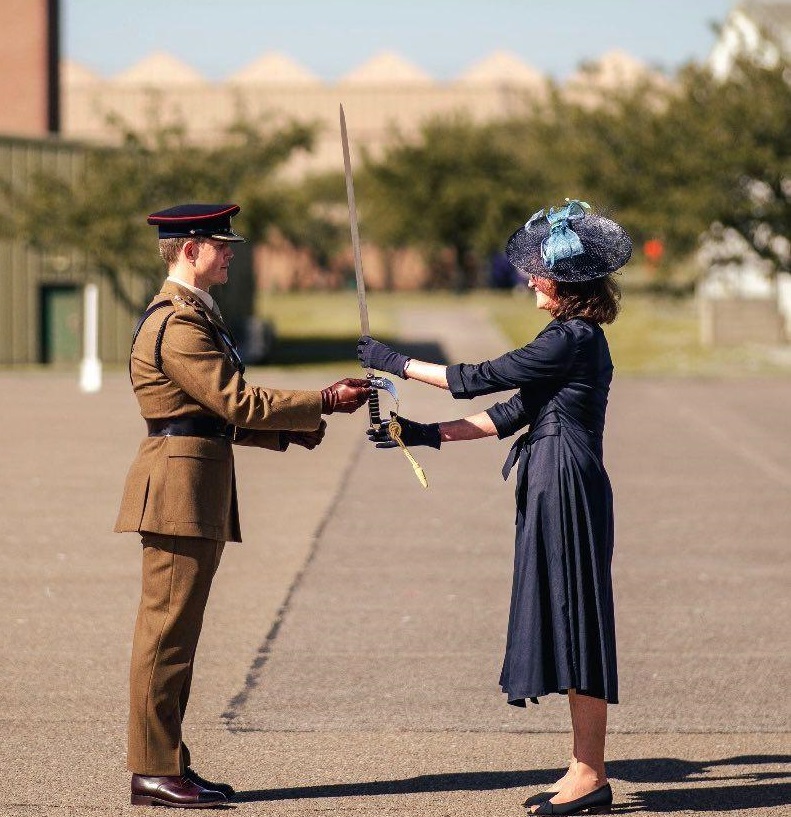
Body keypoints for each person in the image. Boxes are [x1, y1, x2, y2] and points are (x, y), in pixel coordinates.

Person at [358, 200, 631, 815]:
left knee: (575, 617)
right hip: (553, 475)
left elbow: (476, 377)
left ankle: (591, 774)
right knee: (566, 616)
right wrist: (421, 433)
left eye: (540, 270)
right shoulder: (570, 339)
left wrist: (392, 361)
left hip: (564, 481)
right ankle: (583, 768)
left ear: (565, 281)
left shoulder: (572, 338)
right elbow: (510, 413)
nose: (531, 278)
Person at [115, 203, 371, 808]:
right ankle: (153, 769)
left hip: (192, 485)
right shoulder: (178, 323)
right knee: (166, 636)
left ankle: (167, 762)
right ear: (188, 250)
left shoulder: (196, 314)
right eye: (220, 244)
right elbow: (235, 400)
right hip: (177, 492)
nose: (231, 252)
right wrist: (324, 400)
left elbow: (205, 414)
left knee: (178, 635)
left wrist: (289, 431)